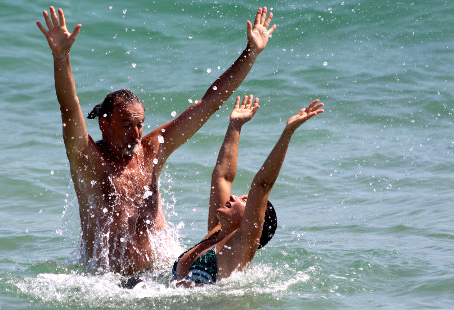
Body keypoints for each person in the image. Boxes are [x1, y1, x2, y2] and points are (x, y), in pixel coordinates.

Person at [36, 6, 277, 275]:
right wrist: (61, 58)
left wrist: (251, 54)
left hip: (161, 277)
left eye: (140, 124)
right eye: (127, 125)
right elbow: (69, 109)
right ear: (104, 123)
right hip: (108, 283)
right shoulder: (87, 158)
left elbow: (208, 104)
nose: (137, 134)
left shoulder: (152, 149)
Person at [172, 96, 324, 285]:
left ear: (252, 217)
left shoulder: (241, 243)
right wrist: (235, 126)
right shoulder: (215, 232)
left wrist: (288, 132)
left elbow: (262, 186)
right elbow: (222, 177)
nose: (233, 197)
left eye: (244, 200)